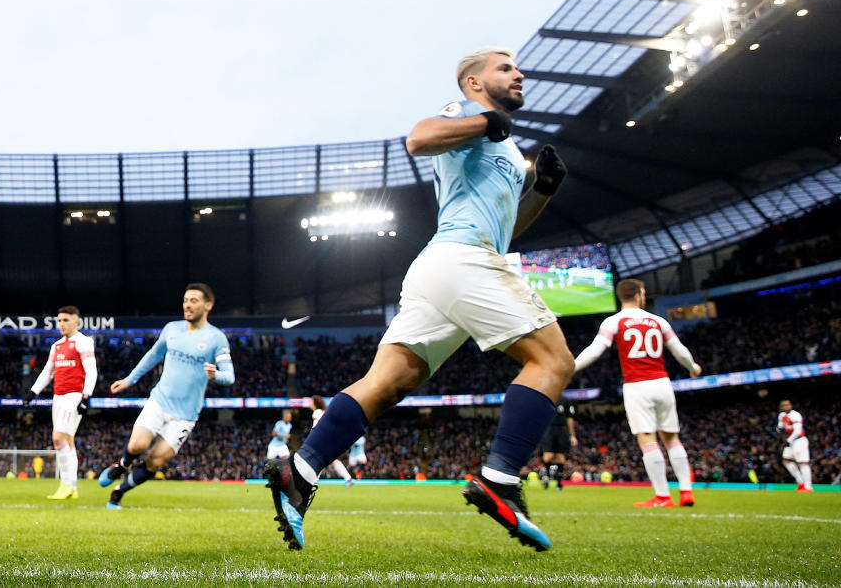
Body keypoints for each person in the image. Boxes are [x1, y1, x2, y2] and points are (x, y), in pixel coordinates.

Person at [263, 47, 572, 551]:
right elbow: (419, 138)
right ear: (473, 83)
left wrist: (542, 191)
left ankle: (300, 471)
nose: (519, 73)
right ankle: (501, 479)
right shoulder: (467, 114)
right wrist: (485, 122)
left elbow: (503, 232)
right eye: (505, 68)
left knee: (386, 382)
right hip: (461, 259)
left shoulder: (509, 153)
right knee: (554, 361)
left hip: (446, 267)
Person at [98, 283, 234, 509]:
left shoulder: (216, 338)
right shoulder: (172, 329)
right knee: (137, 446)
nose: (187, 305)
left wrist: (216, 375)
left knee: (155, 461)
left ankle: (118, 492)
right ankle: (121, 466)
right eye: (185, 300)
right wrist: (129, 380)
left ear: (208, 305)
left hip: (186, 415)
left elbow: (229, 376)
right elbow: (153, 355)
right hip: (160, 401)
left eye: (193, 301)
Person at [573, 279, 701, 508]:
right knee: (672, 437)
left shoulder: (614, 321)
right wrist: (693, 368)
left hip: (637, 386)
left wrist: (571, 367)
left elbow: (596, 350)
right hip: (662, 383)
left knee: (647, 438)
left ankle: (662, 496)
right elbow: (679, 350)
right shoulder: (657, 321)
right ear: (638, 295)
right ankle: (686, 491)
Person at [23, 305, 98, 500]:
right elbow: (48, 371)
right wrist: (33, 392)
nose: (62, 324)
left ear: (76, 322)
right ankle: (72, 488)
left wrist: (86, 396)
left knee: (58, 438)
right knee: (68, 441)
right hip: (58, 396)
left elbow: (91, 370)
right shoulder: (56, 346)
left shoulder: (83, 342)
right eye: (60, 320)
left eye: (66, 320)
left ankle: (64, 484)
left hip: (74, 396)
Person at [308, 396, 354, 487]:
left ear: (314, 402)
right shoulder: (323, 411)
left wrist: (312, 437)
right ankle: (348, 478)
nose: (309, 403)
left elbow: (316, 427)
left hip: (321, 438)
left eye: (310, 401)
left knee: (317, 459)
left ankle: (313, 481)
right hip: (328, 437)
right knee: (327, 460)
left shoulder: (317, 412)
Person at [539, 396, 576, 491]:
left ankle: (559, 484)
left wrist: (572, 435)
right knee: (548, 457)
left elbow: (570, 418)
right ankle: (546, 477)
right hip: (548, 429)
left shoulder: (565, 400)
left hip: (562, 430)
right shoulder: (545, 398)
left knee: (560, 458)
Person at [777, 400, 812, 491]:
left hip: (799, 441)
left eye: (788, 404)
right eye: (784, 405)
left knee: (802, 463)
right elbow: (780, 427)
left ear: (791, 406)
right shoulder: (781, 416)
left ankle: (808, 486)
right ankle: (801, 482)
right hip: (790, 442)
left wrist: (789, 440)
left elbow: (798, 431)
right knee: (786, 461)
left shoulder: (795, 415)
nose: (786, 406)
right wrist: (779, 429)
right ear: (781, 407)